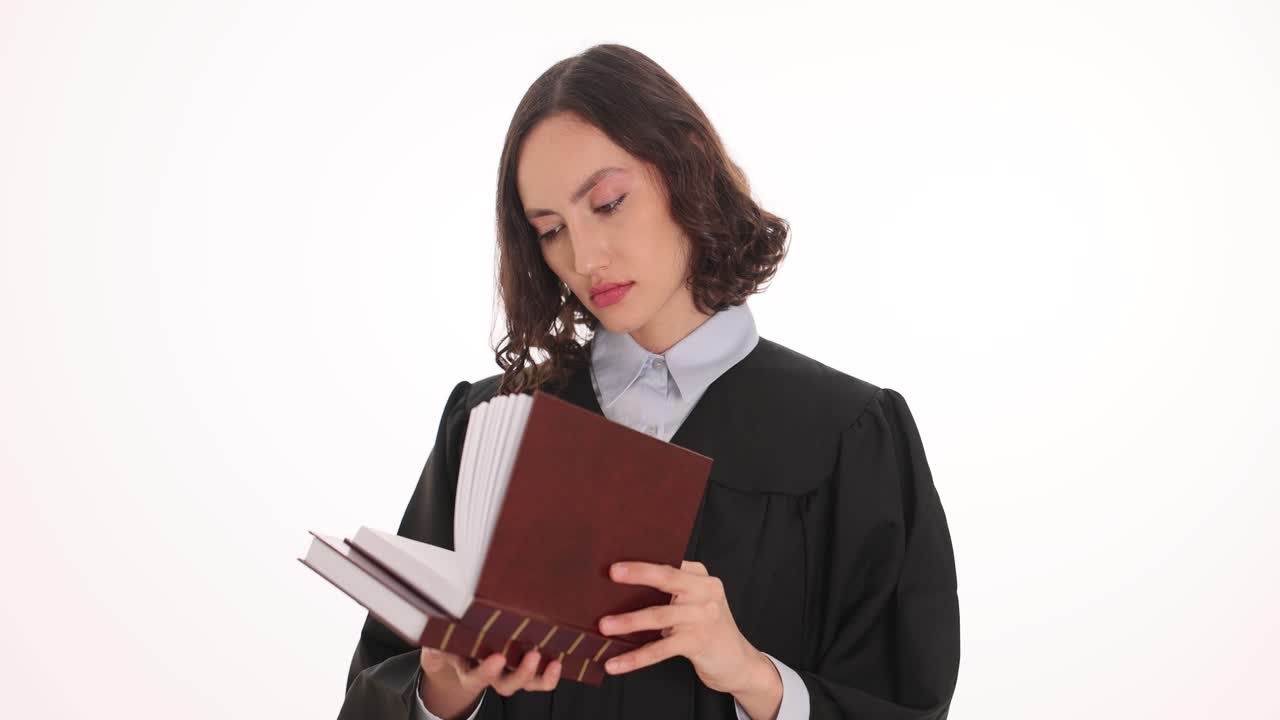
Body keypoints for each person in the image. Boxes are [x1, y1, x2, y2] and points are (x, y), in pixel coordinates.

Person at [336, 43, 960, 720]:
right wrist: (443, 693)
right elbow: (382, 681)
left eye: (606, 203)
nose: (584, 257)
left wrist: (755, 678)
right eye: (550, 230)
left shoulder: (849, 436)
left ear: (686, 166)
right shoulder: (495, 428)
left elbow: (902, 702)